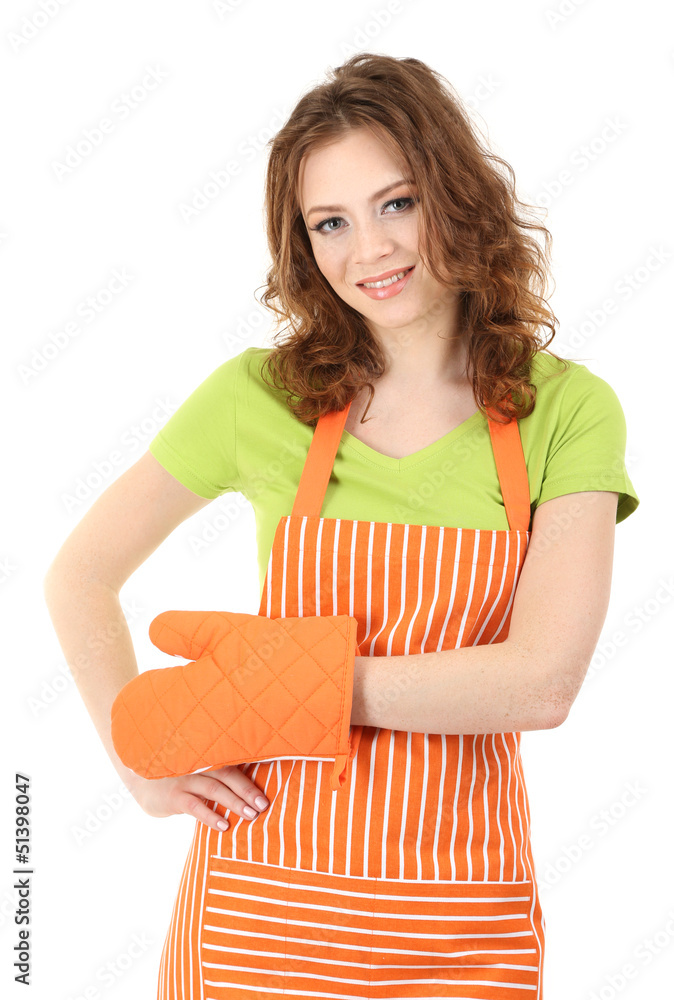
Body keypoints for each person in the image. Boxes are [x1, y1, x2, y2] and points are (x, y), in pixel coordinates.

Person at [44, 53, 639, 999]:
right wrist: (140, 767)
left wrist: (293, 683)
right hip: (257, 915)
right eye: (331, 222)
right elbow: (79, 575)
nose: (371, 250)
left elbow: (541, 683)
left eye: (397, 203)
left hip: (457, 927)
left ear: (456, 193)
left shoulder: (566, 410)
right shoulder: (257, 397)